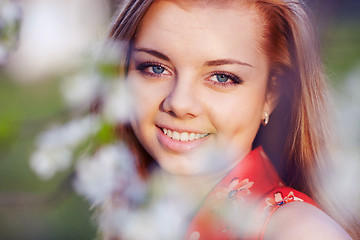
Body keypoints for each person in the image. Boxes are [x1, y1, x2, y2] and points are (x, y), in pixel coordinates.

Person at [106, 0, 358, 239]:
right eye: (155, 68)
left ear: (271, 93)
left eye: (222, 77)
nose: (179, 103)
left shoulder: (298, 232)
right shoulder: (138, 215)